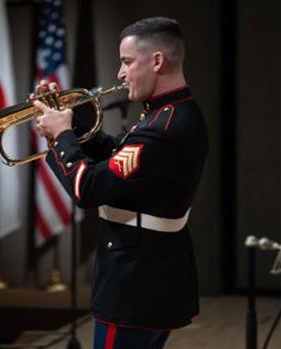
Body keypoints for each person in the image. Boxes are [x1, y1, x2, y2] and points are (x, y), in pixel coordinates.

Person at [32, 17, 208, 349]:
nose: (120, 73)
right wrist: (69, 119)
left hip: (133, 281)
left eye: (127, 62)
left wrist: (61, 135)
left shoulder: (162, 127)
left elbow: (88, 189)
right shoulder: (169, 113)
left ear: (156, 61)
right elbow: (116, 153)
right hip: (149, 273)